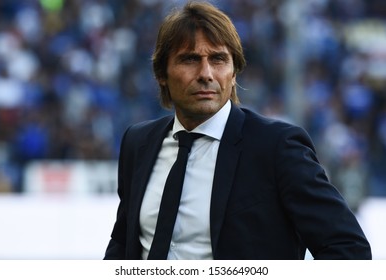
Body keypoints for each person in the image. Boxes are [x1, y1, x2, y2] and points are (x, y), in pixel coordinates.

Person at [104, 1, 371, 260]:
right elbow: (123, 243)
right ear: (162, 73)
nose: (206, 73)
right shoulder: (138, 143)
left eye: (218, 59)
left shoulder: (277, 147)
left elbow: (348, 249)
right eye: (189, 59)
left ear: (233, 73)